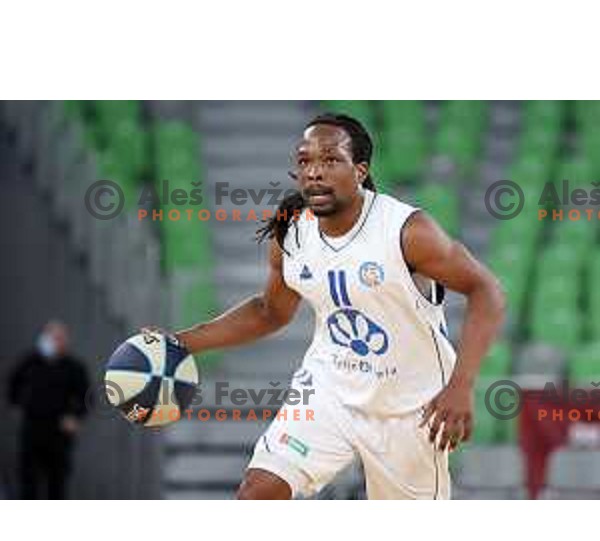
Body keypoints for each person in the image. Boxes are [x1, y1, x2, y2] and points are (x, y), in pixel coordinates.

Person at [171, 113, 506, 499]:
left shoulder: (407, 231)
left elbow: (488, 291)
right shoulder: (292, 231)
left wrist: (461, 387)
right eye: (305, 160)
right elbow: (269, 311)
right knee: (258, 492)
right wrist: (180, 344)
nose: (314, 172)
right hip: (327, 390)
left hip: (411, 405)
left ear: (360, 170)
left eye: (330, 160)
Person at [8, 320, 90, 499]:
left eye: (59, 338)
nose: (55, 342)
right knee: (28, 482)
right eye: (52, 337)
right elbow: (13, 384)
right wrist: (19, 404)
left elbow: (87, 397)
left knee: (57, 484)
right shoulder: (30, 362)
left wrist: (75, 417)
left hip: (59, 434)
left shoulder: (74, 367)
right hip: (32, 429)